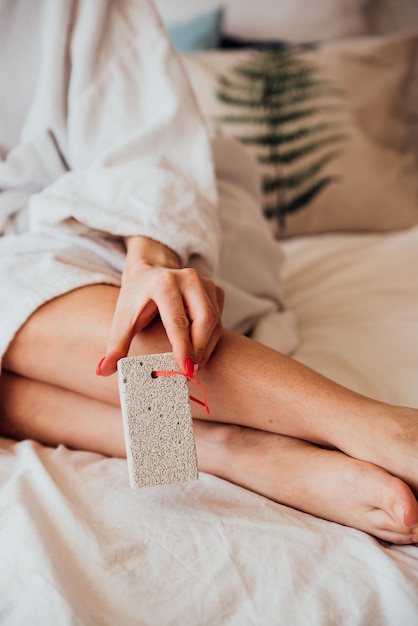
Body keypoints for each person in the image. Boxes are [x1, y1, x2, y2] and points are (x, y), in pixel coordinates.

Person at [1, 0, 418, 546]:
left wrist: (150, 261)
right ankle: (232, 449)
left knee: (119, 299)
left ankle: (373, 424)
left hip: (143, 223)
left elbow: (143, 153)